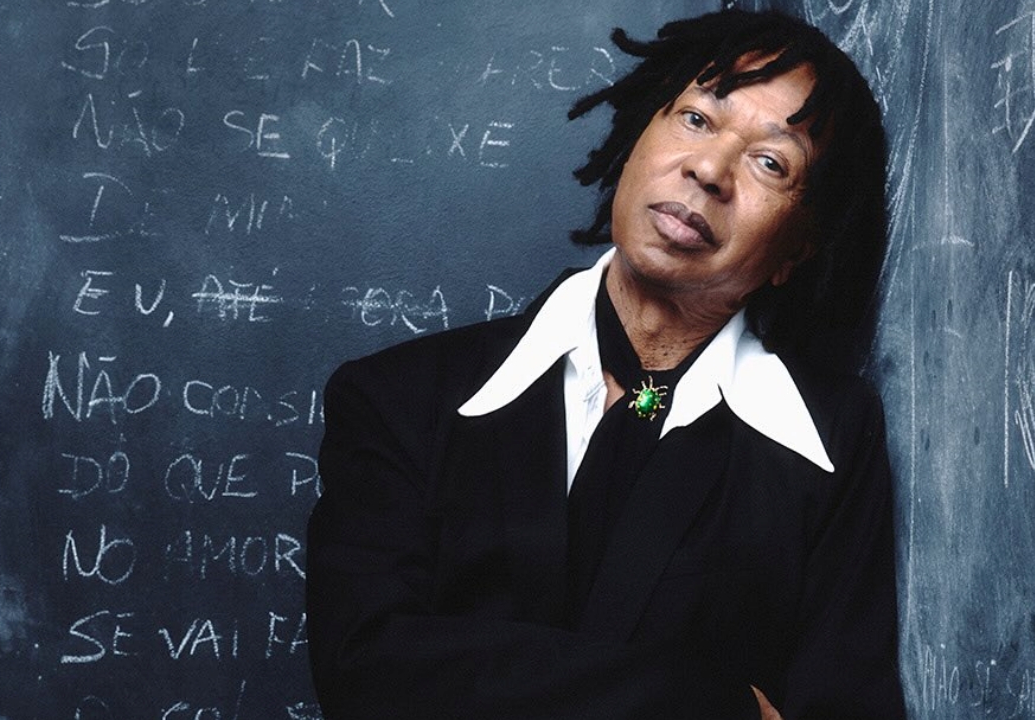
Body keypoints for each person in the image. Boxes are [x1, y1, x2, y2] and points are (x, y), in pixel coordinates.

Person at [306, 8, 905, 719]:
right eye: (696, 119)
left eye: (771, 163)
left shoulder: (832, 442)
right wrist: (711, 704)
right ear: (636, 139)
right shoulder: (398, 398)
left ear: (796, 251)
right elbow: (368, 671)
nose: (710, 170)